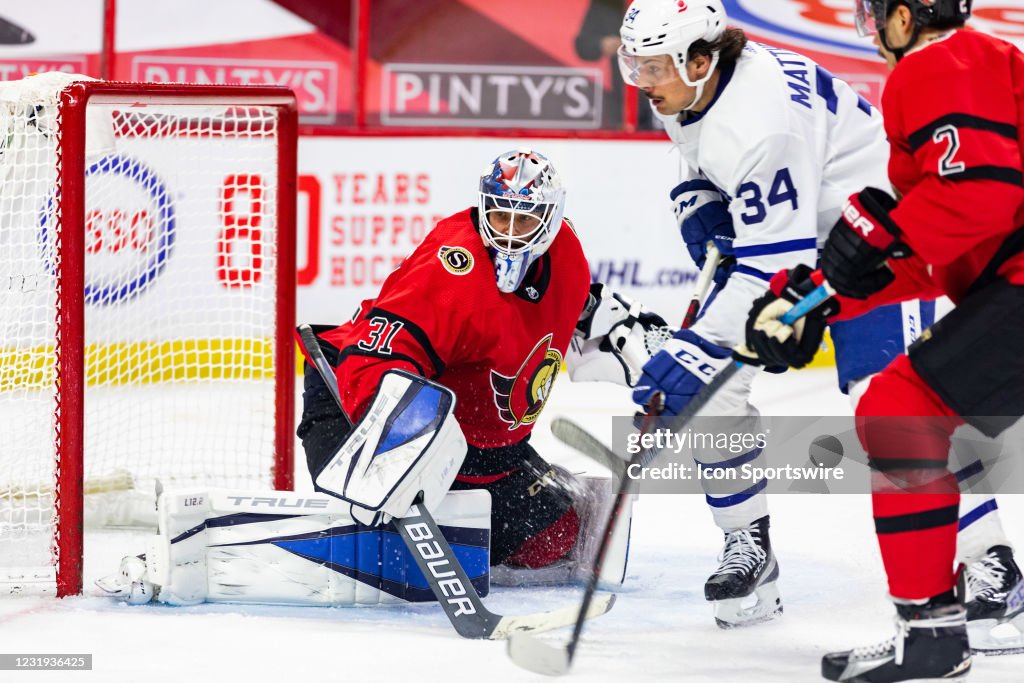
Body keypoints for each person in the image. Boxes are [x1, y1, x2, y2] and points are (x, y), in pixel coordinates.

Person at [616, 0, 1019, 635]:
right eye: (633, 65)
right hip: (809, 250)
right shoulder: (696, 86)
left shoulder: (759, 119)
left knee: (907, 410)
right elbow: (701, 152)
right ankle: (748, 547)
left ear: (699, 61)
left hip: (878, 252)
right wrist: (694, 196)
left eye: (653, 68)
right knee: (718, 399)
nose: (642, 82)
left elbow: (775, 258)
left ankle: (989, 559)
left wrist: (694, 349)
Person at [743, 1, 1024, 680]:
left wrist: (877, 239)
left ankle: (930, 631)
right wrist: (816, 296)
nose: (873, 32)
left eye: (877, 15)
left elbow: (980, 191)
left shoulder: (939, 62)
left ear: (906, 17)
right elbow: (934, 244)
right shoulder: (988, 68)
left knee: (903, 410)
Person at [298, 148, 666, 583]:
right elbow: (374, 358)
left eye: (525, 219)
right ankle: (366, 519)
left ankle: (453, 514)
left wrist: (640, 348)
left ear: (551, 220)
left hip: (479, 446)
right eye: (499, 216)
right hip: (357, 415)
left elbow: (578, 310)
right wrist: (393, 447)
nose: (509, 234)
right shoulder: (452, 269)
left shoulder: (566, 253)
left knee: (555, 536)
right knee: (387, 542)